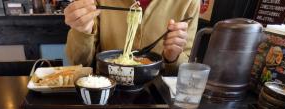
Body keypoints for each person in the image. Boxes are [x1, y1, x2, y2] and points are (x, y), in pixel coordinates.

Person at [64, 0, 200, 74]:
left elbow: (186, 71)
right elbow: (80, 64)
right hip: (106, 90)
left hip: (159, 97)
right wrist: (82, 32)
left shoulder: (189, 2)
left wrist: (173, 57)